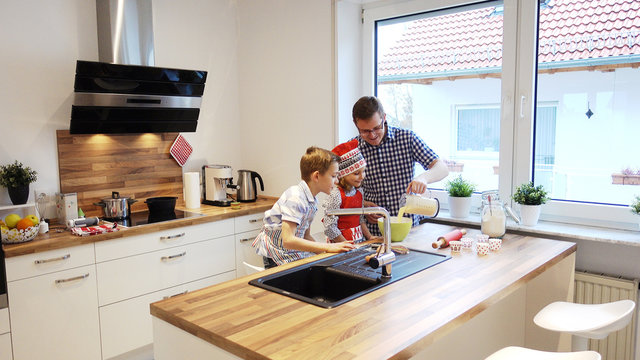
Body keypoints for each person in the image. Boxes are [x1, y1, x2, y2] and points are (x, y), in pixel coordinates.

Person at [352, 96, 449, 235]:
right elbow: (344, 193)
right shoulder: (352, 150)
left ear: (384, 118)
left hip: (410, 230)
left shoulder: (407, 138)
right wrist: (364, 207)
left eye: (377, 128)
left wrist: (423, 178)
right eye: (365, 131)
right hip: (374, 234)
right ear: (356, 124)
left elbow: (442, 168)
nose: (372, 135)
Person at [252, 146, 356, 267]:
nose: (337, 181)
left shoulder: (312, 200)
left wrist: (327, 253)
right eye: (333, 176)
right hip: (276, 255)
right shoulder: (296, 198)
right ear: (316, 176)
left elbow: (305, 236)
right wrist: (329, 247)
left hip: (290, 252)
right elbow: (288, 240)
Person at [322, 139, 382, 244]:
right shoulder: (336, 195)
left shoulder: (359, 192)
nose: (362, 176)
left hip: (357, 241)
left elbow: (360, 219)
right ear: (342, 175)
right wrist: (345, 244)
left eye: (363, 171)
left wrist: (369, 236)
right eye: (356, 173)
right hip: (340, 244)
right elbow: (329, 227)